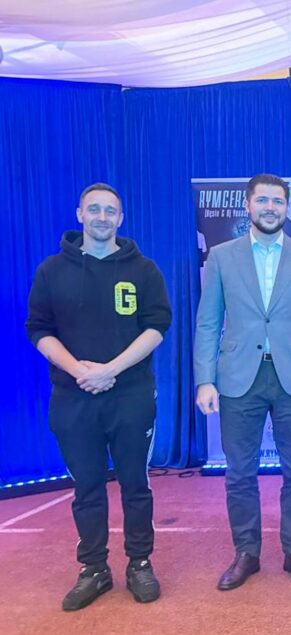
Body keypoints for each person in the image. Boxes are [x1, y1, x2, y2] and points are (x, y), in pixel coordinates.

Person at [26, 183, 171, 611]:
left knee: (135, 484)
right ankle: (94, 569)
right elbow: (38, 329)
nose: (102, 217)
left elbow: (157, 327)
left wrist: (110, 370)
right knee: (86, 487)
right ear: (80, 214)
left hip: (131, 396)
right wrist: (79, 370)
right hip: (72, 399)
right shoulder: (52, 270)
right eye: (94, 209)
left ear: (121, 218)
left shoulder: (144, 270)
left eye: (110, 211)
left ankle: (139, 563)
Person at [194, 173, 291, 591]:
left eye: (278, 201)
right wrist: (205, 380)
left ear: (287, 207)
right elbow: (208, 323)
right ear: (248, 205)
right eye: (263, 200)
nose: (270, 208)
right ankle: (246, 552)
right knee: (239, 472)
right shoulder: (221, 257)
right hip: (238, 378)